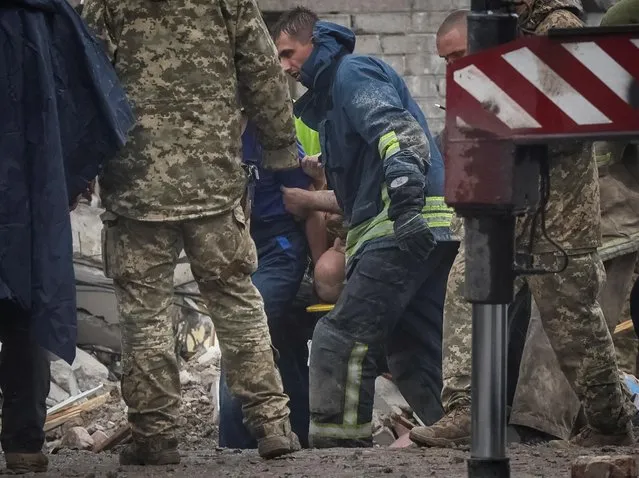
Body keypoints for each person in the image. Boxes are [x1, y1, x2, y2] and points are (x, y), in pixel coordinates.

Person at [82, 0, 301, 464]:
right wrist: (281, 145)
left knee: (144, 313)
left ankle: (155, 438)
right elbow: (263, 69)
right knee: (236, 299)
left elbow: (83, 74)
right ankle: (272, 426)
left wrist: (77, 164)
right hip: (214, 182)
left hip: (136, 183)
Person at [410, 0, 635, 449]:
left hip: (559, 212)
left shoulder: (558, 26)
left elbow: (572, 116)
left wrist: (501, 98)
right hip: (505, 201)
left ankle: (610, 419)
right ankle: (464, 409)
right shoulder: (500, 27)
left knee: (571, 321)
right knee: (465, 286)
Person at [272, 7, 458, 448]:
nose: (284, 66)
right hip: (423, 231)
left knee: (338, 338)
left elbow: (398, 132)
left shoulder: (351, 72)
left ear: (315, 42)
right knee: (414, 351)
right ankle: (461, 436)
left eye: (288, 53)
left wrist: (406, 206)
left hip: (400, 229)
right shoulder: (333, 98)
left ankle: (339, 455)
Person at [0, 0, 134, 473]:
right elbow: (87, 95)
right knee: (26, 302)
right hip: (31, 185)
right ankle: (22, 442)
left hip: (29, 184)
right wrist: (73, 174)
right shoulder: (48, 13)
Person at [217, 115, 326, 449]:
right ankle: (303, 434)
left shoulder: (272, 137)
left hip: (278, 248)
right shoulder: (208, 135)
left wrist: (321, 268)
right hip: (236, 250)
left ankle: (237, 445)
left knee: (245, 333)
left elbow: (306, 204)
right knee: (281, 338)